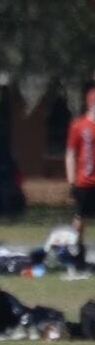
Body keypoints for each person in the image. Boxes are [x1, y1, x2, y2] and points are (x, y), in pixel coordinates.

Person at [66, 86, 95, 262]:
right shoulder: (79, 126)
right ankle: (76, 253)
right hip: (84, 181)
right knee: (80, 218)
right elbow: (70, 153)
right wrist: (71, 182)